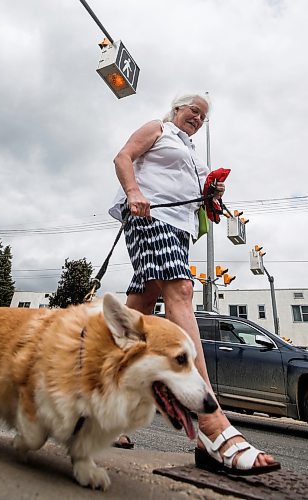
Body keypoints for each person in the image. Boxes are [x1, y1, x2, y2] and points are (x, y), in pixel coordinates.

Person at [108, 93, 280, 475]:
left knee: (136, 313)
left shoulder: (193, 155)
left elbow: (201, 197)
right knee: (181, 291)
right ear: (176, 111)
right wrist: (134, 193)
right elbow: (123, 157)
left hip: (181, 227)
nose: (197, 119)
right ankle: (210, 422)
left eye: (203, 117)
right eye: (193, 112)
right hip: (149, 215)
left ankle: (102, 406)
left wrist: (213, 196)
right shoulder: (159, 129)